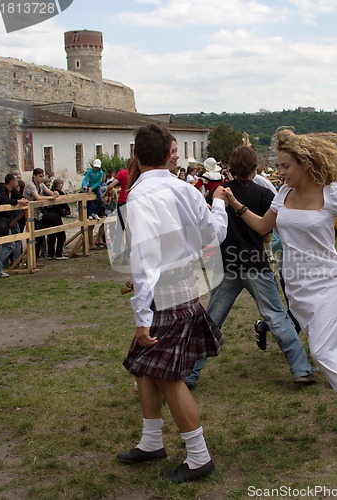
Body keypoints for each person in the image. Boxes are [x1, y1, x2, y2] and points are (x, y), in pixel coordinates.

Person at [224, 130, 337, 447]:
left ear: (305, 164)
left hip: (330, 280)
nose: (279, 173)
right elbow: (263, 227)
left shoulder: (332, 194)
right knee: (324, 350)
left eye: (285, 166)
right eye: (278, 167)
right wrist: (235, 204)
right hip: (297, 285)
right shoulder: (282, 195)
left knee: (322, 350)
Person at [116, 123, 228, 483]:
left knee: (169, 378)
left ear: (135, 156)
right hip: (185, 287)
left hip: (165, 298)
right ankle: (151, 442)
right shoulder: (187, 190)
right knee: (145, 369)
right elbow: (215, 235)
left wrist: (141, 315)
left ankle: (198, 458)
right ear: (169, 155)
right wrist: (221, 205)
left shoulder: (140, 196)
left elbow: (145, 257)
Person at [183, 145, 318, 389]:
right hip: (255, 263)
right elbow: (268, 229)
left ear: (230, 169)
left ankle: (190, 373)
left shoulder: (219, 194)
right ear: (254, 168)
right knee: (276, 316)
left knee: (212, 320)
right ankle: (300, 369)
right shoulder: (265, 195)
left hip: (227, 264)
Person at [23, 168, 60, 266]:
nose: (41, 178)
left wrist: (55, 193)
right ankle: (30, 261)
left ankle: (34, 260)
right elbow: (38, 197)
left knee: (39, 237)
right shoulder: (30, 185)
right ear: (34, 176)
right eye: (40, 176)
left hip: (37, 215)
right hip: (28, 215)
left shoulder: (41, 185)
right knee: (34, 238)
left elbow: (49, 192)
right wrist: (51, 197)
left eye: (42, 176)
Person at [0, 173, 28, 277]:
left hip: (5, 221)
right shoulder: (1, 189)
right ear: (11, 181)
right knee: (2, 246)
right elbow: (4, 200)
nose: (17, 182)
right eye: (16, 180)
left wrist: (24, 200)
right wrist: (18, 201)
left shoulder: (12, 190)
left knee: (7, 246)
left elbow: (20, 197)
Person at [42, 179, 71, 260]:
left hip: (46, 215)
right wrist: (67, 211)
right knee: (61, 235)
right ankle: (59, 253)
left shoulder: (49, 192)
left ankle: (50, 254)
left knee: (51, 235)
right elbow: (65, 205)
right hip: (54, 216)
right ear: (59, 185)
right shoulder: (58, 193)